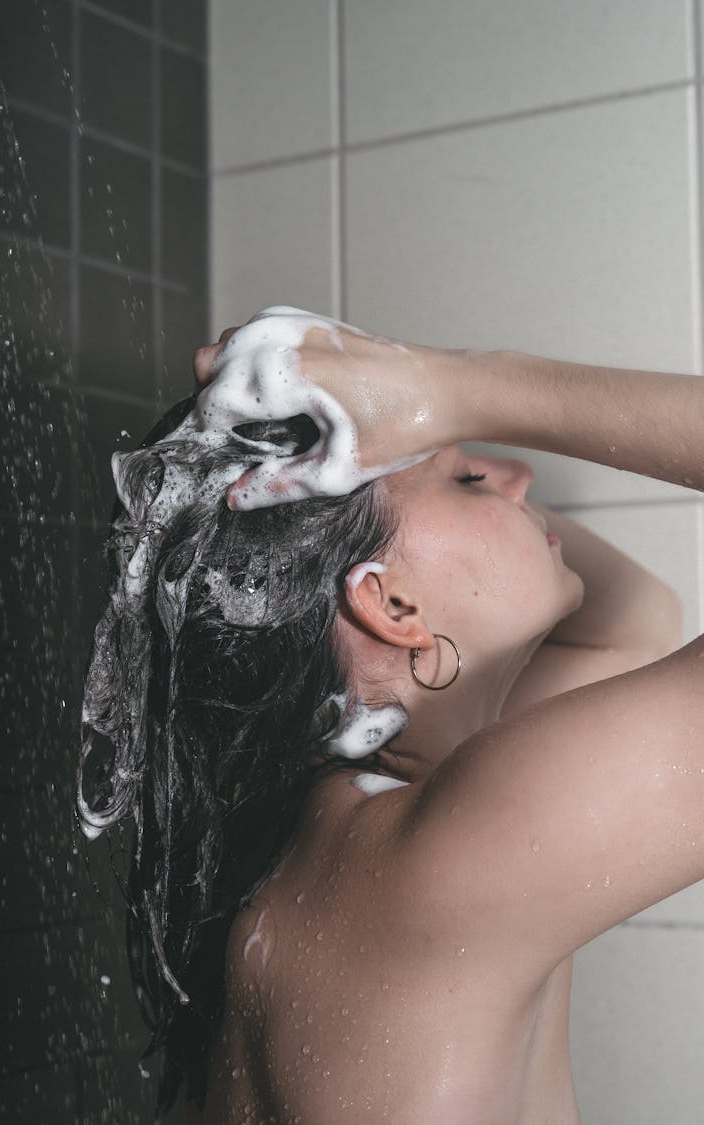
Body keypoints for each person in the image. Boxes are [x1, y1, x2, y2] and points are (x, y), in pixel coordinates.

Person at [78, 308, 702, 1124]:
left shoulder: (342, 850)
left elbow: (636, 623)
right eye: (469, 480)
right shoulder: (440, 859)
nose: (517, 473)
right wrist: (451, 386)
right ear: (390, 601)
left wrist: (398, 435)